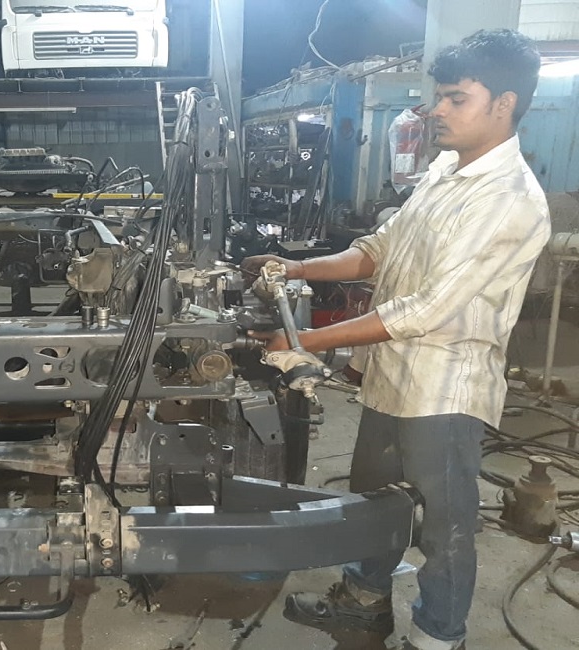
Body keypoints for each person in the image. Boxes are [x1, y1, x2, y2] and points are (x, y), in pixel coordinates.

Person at [242, 29, 549, 650]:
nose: (437, 110)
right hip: (392, 372)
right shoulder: (444, 171)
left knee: (444, 525)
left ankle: (437, 636)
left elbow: (427, 309)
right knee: (372, 502)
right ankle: (362, 604)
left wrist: (308, 341)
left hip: (444, 390)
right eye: (439, 96)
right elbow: (378, 250)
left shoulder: (508, 200)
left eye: (456, 99)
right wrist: (295, 267)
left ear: (504, 104)